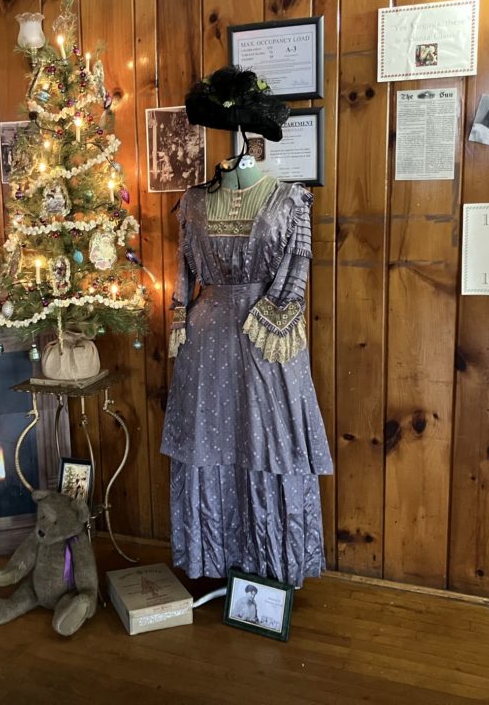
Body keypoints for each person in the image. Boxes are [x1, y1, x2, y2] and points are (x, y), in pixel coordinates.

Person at [163, 66, 332, 589]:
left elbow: (295, 276)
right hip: (206, 341)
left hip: (268, 339)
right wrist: (178, 314)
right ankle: (216, 559)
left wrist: (274, 312)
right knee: (208, 446)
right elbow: (182, 275)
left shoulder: (290, 200)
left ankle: (272, 565)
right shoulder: (192, 202)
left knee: (269, 446)